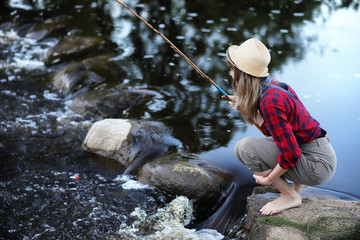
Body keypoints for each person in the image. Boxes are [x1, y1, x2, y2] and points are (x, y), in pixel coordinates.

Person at [224, 38, 337, 215]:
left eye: (232, 69)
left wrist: (269, 179)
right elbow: (281, 133)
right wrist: (246, 105)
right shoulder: (275, 86)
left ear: (242, 74)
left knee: (243, 148)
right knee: (270, 142)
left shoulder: (270, 102)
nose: (230, 74)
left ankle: (289, 196)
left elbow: (290, 153)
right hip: (320, 151)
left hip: (318, 165)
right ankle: (296, 188)